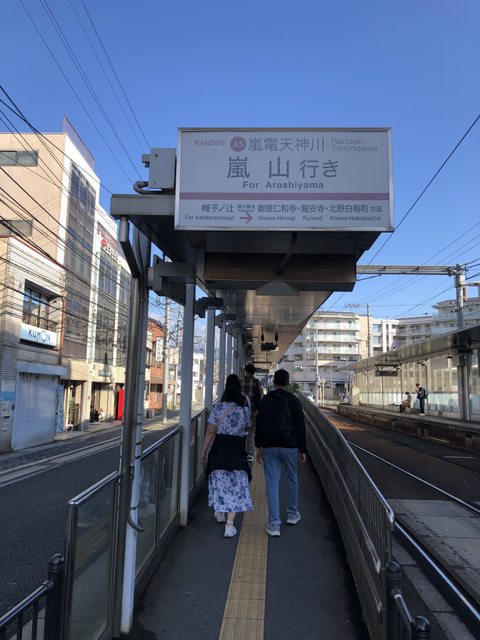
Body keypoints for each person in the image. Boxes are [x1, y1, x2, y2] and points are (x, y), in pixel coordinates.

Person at [200, 374, 253, 538]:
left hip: (220, 448)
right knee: (236, 485)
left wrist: (203, 451)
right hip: (237, 449)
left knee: (219, 480)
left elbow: (210, 431)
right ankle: (229, 526)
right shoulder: (244, 409)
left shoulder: (219, 408)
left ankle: (219, 511)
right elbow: (247, 428)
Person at [255, 369, 307, 537]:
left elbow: (259, 423)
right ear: (287, 382)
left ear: (273, 382)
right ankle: (292, 514)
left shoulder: (266, 399)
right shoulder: (293, 399)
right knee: (292, 479)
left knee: (272, 484)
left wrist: (258, 446)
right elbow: (300, 425)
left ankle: (274, 524)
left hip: (270, 447)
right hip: (290, 446)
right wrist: (302, 449)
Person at [241, 363, 262, 462]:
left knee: (240, 430)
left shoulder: (240, 381)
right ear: (253, 373)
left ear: (245, 371)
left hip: (240, 410)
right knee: (250, 432)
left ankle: (240, 451)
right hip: (252, 410)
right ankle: (249, 453)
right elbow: (259, 396)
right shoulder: (257, 382)